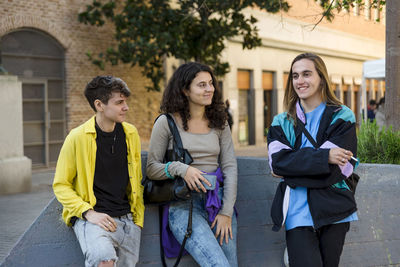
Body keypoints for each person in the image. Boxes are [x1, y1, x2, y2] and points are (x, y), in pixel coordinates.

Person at [267, 53, 358, 267]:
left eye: (307, 74)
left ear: (321, 78)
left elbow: (338, 172)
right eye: (295, 75)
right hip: (296, 213)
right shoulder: (281, 122)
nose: (300, 81)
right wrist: (324, 156)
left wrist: (292, 173)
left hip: (334, 210)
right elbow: (277, 163)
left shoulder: (342, 116)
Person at [146, 62, 238, 266]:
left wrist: (226, 212)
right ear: (185, 90)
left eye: (211, 83)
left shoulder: (220, 121)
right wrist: (181, 168)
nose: (210, 89)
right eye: (202, 85)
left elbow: (230, 167)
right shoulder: (166, 122)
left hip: (218, 201)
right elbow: (152, 168)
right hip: (184, 205)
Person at [53, 76, 144, 267]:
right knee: (104, 261)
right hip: (94, 220)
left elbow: (136, 179)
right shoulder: (77, 137)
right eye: (119, 102)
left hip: (129, 221)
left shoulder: (131, 134)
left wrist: (137, 221)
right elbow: (61, 185)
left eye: (125, 102)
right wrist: (88, 213)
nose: (125, 107)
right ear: (99, 105)